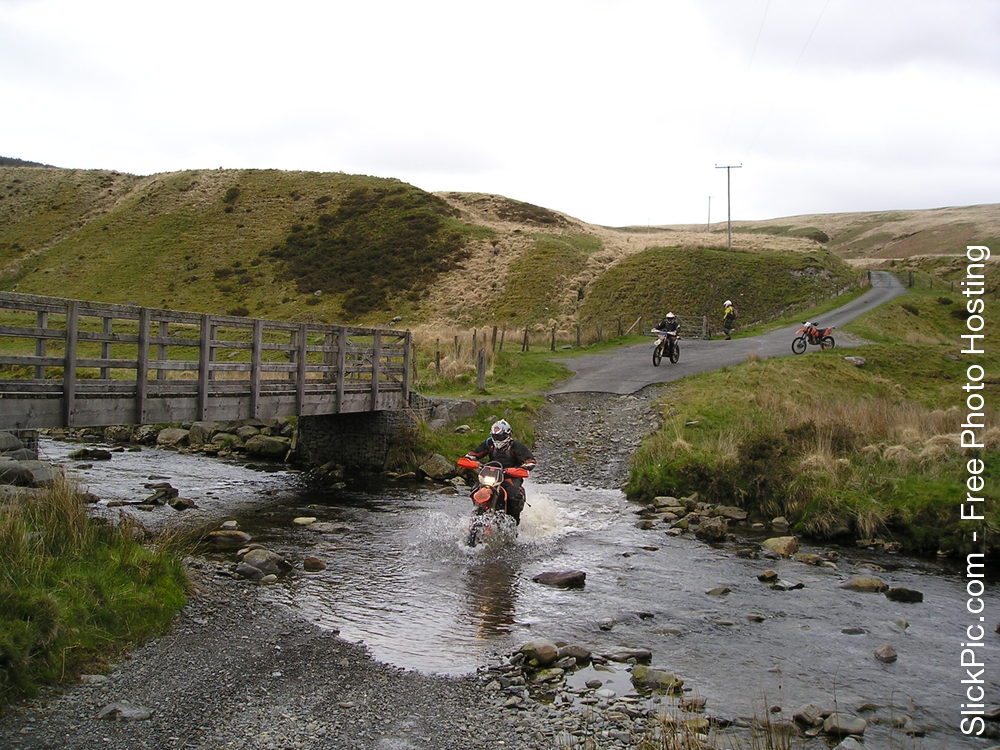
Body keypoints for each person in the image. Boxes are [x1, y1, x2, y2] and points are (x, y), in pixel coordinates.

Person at [462, 419, 536, 523]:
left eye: (500, 436)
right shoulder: (489, 443)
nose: (497, 439)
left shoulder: (515, 446)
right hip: (491, 474)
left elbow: (531, 461)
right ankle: (476, 511)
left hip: (510, 476)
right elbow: (472, 455)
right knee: (475, 489)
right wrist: (472, 461)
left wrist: (517, 469)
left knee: (514, 496)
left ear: (507, 434)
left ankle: (513, 523)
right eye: (495, 436)